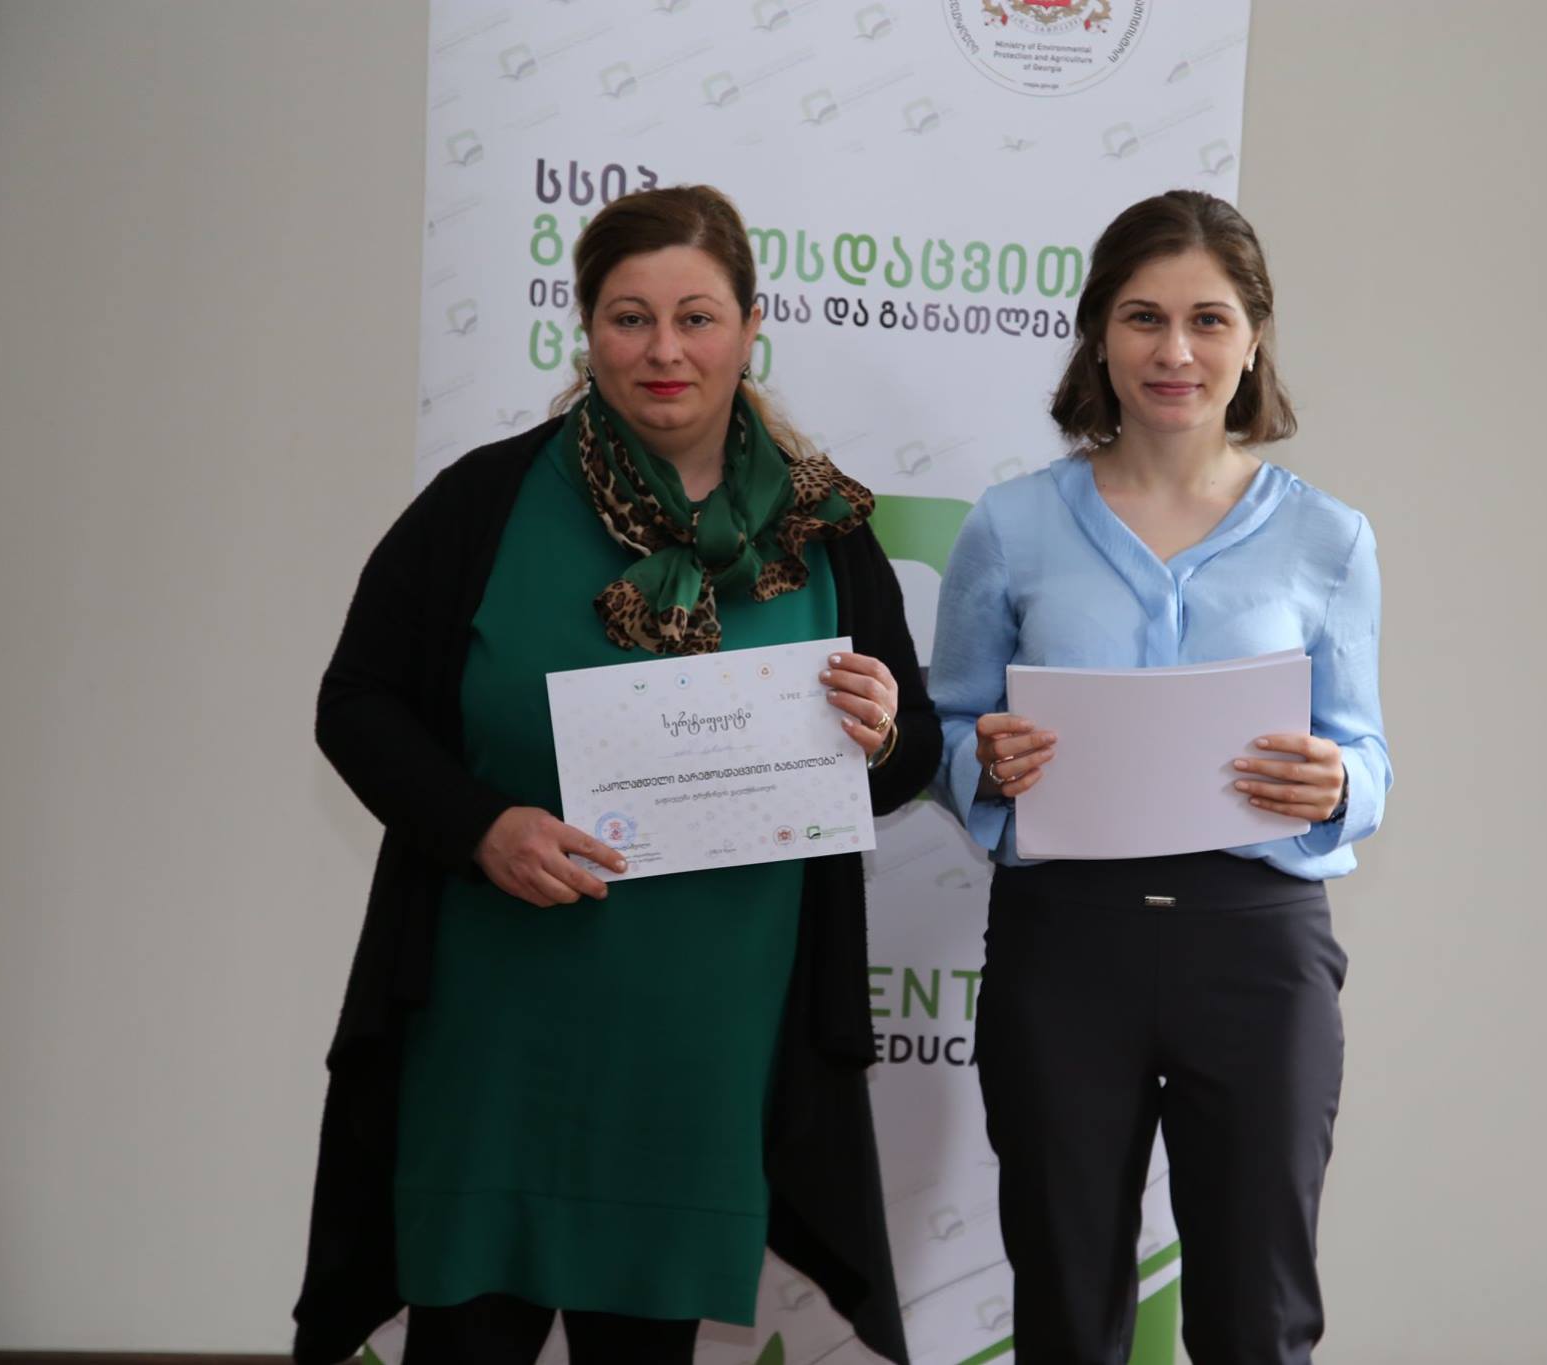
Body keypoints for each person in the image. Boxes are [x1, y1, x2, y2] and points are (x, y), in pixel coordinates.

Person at [292, 184, 935, 1365]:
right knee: (465, 1333)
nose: (663, 350)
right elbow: (358, 702)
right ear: (585, 328)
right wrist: (477, 825)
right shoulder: (482, 503)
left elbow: (905, 763)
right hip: (495, 1023)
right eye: (629, 318)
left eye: (696, 317)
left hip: (706, 1043)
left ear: (750, 328)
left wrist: (884, 729)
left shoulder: (823, 528)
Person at [928, 190, 1392, 1365]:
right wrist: (979, 760)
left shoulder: (1330, 539)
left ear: (1252, 339)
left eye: (1206, 320)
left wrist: (1338, 784)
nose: (1173, 351)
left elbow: (1369, 754)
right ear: (1098, 334)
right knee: (1064, 1306)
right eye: (1142, 318)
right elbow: (947, 730)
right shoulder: (1009, 526)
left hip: (1255, 948)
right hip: (1063, 943)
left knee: (1257, 1319)